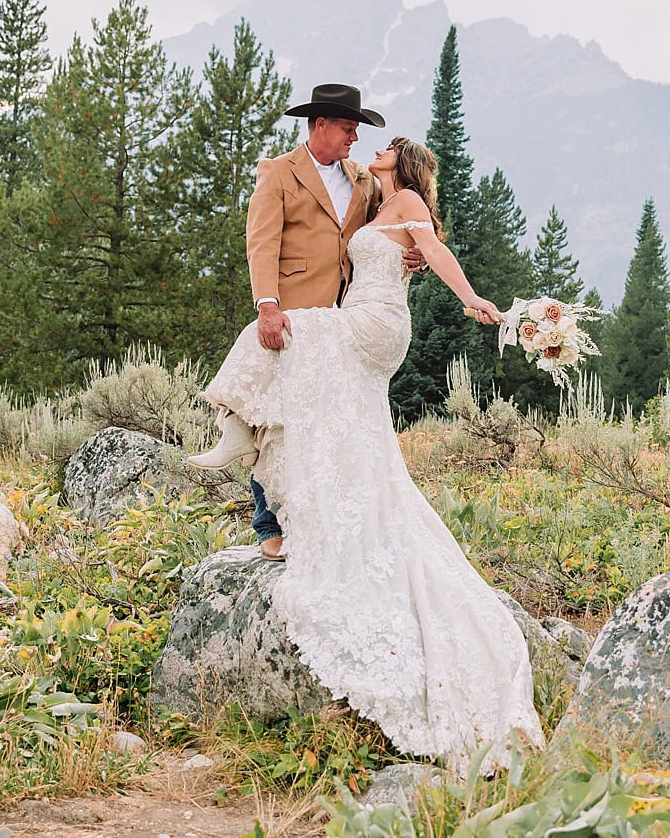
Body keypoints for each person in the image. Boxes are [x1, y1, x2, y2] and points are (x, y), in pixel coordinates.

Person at [188, 132, 544, 772]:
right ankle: (253, 444)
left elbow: (433, 250)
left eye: (381, 147)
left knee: (281, 332)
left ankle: (236, 426)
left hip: (377, 323)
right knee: (328, 412)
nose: (366, 147)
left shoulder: (405, 196)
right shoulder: (368, 192)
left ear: (400, 164)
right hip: (361, 309)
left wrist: (470, 300)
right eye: (358, 136)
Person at [188, 83, 411, 563]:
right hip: (289, 312)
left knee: (322, 421)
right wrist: (267, 304)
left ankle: (312, 519)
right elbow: (261, 242)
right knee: (279, 415)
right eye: (348, 128)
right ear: (321, 125)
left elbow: (384, 233)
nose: (354, 138)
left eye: (356, 130)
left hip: (341, 320)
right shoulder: (278, 173)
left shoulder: (363, 182)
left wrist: (412, 258)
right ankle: (267, 522)